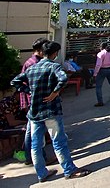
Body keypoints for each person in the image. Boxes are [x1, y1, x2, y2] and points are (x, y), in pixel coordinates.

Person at [11, 41, 91, 182]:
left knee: (36, 145)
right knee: (59, 141)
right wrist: (55, 92)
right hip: (51, 110)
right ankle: (69, 170)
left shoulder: (32, 69)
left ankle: (41, 174)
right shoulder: (54, 66)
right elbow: (63, 78)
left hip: (35, 112)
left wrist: (29, 90)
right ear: (54, 54)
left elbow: (15, 82)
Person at [19, 38, 51, 166]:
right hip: (35, 101)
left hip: (31, 100)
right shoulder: (35, 63)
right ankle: (41, 158)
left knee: (30, 129)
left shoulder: (31, 62)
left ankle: (29, 156)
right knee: (37, 130)